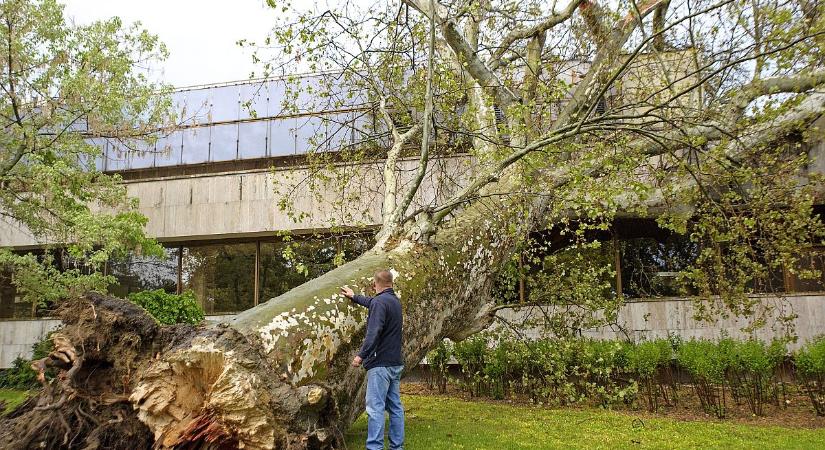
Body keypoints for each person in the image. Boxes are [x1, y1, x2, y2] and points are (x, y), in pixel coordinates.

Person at [341, 269, 404, 450]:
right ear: (391, 283)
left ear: (374, 284)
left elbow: (373, 332)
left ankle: (374, 447)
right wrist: (355, 297)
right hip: (395, 363)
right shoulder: (394, 302)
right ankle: (397, 447)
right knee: (395, 408)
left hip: (380, 364)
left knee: (375, 408)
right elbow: (372, 302)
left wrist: (361, 356)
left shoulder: (379, 302)